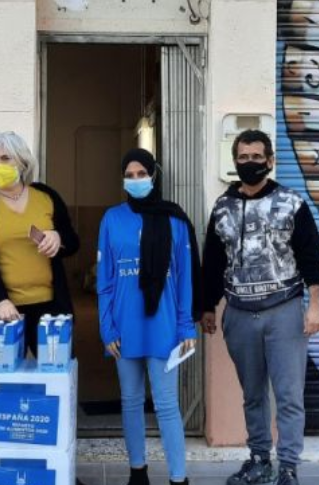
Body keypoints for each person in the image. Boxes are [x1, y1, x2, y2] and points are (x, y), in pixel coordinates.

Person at [201, 130, 319, 485]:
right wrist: (208, 306)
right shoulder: (222, 207)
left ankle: (287, 467)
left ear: (270, 161)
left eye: (257, 157)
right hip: (239, 313)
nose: (250, 164)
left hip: (283, 310)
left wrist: (314, 306)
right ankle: (259, 460)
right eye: (243, 158)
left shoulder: (292, 202)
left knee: (287, 395)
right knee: (253, 394)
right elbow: (212, 260)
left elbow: (312, 256)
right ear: (235, 161)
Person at [97, 148, 201, 485]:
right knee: (130, 401)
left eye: (142, 173)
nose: (136, 180)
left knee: (167, 403)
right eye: (130, 174)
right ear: (122, 179)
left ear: (153, 176)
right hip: (124, 326)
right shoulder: (112, 218)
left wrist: (186, 325)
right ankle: (137, 472)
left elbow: (185, 278)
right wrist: (106, 326)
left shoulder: (175, 220)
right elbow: (105, 279)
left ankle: (178, 477)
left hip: (165, 325)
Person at [0, 131, 80, 356]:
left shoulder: (46, 196)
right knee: (7, 383)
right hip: (5, 311)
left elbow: (73, 242)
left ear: (22, 161)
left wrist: (58, 237)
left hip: (51, 309)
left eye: (6, 158)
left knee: (54, 379)